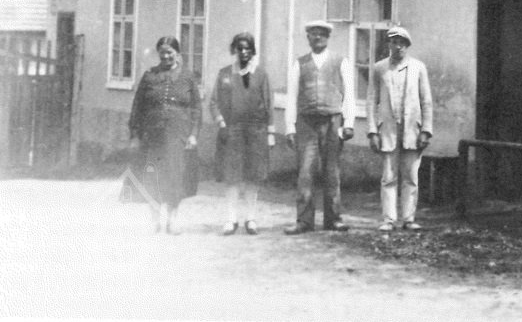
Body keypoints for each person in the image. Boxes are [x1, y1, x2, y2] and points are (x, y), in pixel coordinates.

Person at [284, 20, 355, 234]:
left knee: (332, 172)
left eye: (322, 34)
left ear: (328, 37)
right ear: (308, 38)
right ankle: (304, 221)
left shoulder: (340, 61)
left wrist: (349, 123)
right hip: (306, 123)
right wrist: (290, 127)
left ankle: (333, 219)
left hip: (332, 121)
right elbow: (291, 96)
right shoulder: (300, 64)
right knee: (305, 172)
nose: (317, 38)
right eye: (313, 34)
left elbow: (349, 94)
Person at [129, 36, 202, 234]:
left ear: (177, 54)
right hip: (152, 136)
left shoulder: (187, 78)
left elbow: (196, 109)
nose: (166, 56)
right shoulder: (149, 76)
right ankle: (155, 221)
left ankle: (172, 221)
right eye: (162, 53)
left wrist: (193, 135)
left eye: (170, 52)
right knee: (152, 176)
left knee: (174, 177)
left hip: (178, 136)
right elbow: (137, 107)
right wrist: (135, 134)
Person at [367, 26, 434, 231]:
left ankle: (408, 219)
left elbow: (426, 101)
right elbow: (371, 101)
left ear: (407, 46)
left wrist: (426, 130)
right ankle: (389, 219)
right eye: (394, 42)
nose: (398, 47)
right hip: (388, 129)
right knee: (389, 176)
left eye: (402, 43)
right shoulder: (380, 68)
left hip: (412, 129)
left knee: (411, 176)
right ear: (389, 44)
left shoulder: (418, 68)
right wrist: (372, 131)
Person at [209, 33, 276, 236]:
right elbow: (213, 102)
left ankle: (250, 218)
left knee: (252, 176)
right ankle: (231, 219)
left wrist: (270, 133)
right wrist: (221, 123)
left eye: (248, 48)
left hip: (256, 131)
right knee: (232, 176)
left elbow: (269, 104)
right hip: (232, 130)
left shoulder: (261, 75)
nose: (244, 52)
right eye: (240, 48)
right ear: (235, 50)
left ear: (253, 51)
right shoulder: (225, 74)